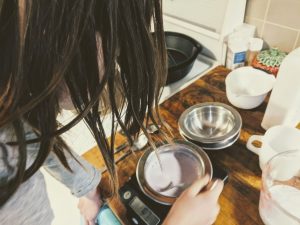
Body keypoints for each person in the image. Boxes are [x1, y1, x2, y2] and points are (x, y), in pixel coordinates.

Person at [0, 1, 223, 225]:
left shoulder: (13, 95)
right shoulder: (7, 177)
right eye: (116, 48)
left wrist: (86, 187)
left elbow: (32, 134)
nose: (114, 65)